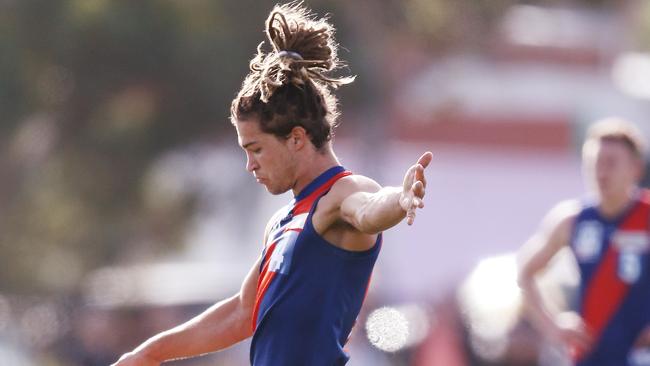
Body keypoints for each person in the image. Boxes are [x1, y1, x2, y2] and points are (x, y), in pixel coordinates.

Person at [111, 3, 432, 366]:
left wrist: (400, 198)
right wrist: (149, 354)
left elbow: (370, 209)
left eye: (257, 149)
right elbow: (242, 313)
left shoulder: (340, 193)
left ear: (297, 138)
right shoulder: (283, 222)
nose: (251, 165)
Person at [518, 118, 650, 366]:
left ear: (636, 169)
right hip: (590, 356)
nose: (601, 172)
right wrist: (552, 324)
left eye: (611, 163)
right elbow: (525, 272)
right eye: (594, 163)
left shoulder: (646, 216)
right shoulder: (572, 219)